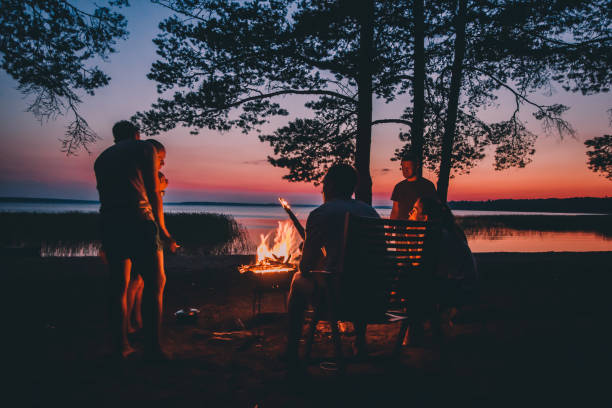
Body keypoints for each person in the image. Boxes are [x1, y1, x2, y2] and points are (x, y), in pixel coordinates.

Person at [94, 121, 178, 359]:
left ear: (114, 137)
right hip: (139, 220)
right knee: (156, 282)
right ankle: (153, 348)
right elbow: (152, 191)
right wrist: (162, 229)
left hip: (109, 222)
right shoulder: (143, 148)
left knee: (117, 287)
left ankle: (120, 347)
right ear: (136, 134)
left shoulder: (102, 158)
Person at [285, 164, 379, 367]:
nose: (322, 188)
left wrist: (314, 256)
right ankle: (360, 343)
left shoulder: (322, 213)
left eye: (325, 183)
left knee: (297, 280)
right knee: (359, 275)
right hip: (372, 298)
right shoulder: (370, 212)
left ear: (332, 185)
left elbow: (305, 267)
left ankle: (292, 351)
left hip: (339, 298)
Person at [407, 196, 477, 342]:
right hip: (465, 287)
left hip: (455, 289)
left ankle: (414, 331)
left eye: (413, 211)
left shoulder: (433, 235)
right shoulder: (451, 230)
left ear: (425, 217)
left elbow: (422, 269)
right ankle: (425, 327)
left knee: (411, 281)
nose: (409, 214)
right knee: (416, 280)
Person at [126, 139, 169, 334]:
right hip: (142, 225)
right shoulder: (147, 174)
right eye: (161, 158)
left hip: (125, 223)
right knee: (140, 280)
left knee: (138, 281)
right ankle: (132, 325)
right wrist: (163, 231)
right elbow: (151, 196)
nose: (162, 162)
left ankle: (136, 319)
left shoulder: (134, 173)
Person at [390, 152, 438, 220]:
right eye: (403, 167)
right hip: (401, 229)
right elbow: (395, 210)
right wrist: (390, 228)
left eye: (408, 167)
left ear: (416, 166)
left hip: (419, 228)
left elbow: (434, 210)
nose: (405, 170)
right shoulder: (399, 187)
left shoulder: (428, 186)